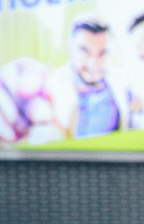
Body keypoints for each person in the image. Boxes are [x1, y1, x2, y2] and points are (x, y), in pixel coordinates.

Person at [0, 15, 125, 144]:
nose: (93, 63)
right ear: (69, 47)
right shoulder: (49, 86)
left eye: (103, 53)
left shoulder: (123, 83)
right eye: (84, 51)